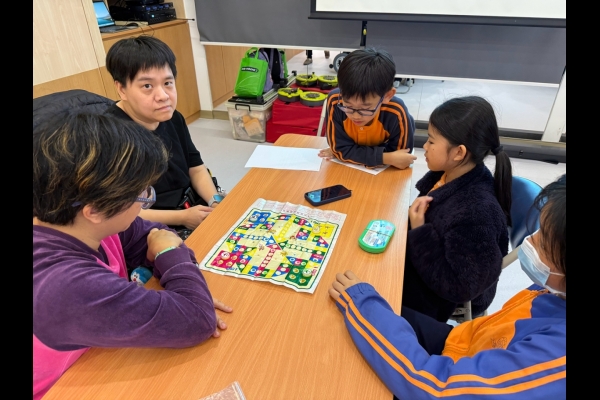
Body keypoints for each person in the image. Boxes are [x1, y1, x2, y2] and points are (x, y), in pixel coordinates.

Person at [33, 113, 232, 400]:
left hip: (95, 357)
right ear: (95, 210)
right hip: (62, 388)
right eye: (141, 194)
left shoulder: (78, 220)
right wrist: (175, 264)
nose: (144, 202)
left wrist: (175, 267)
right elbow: (198, 319)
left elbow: (155, 234)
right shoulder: (66, 285)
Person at [329, 174, 566, 399]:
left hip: (447, 374)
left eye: (544, 244)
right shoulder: (555, 290)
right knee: (357, 315)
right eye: (538, 231)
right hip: (464, 342)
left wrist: (362, 305)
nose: (530, 241)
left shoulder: (555, 358)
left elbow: (437, 387)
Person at [401, 96, 513, 322]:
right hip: (424, 259)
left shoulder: (477, 214)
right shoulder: (450, 173)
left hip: (439, 292)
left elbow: (459, 286)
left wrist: (420, 230)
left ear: (459, 153)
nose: (425, 147)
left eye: (431, 141)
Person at [105, 35, 223, 233]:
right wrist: (183, 218)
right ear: (121, 89)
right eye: (147, 86)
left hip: (190, 207)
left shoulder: (173, 117)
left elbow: (195, 168)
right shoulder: (109, 136)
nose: (163, 96)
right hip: (149, 228)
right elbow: (118, 212)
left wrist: (215, 201)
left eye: (168, 83)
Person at [318, 47, 416, 169]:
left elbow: (402, 158)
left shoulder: (396, 111)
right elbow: (340, 150)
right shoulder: (335, 101)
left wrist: (351, 152)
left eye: (365, 108)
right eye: (348, 106)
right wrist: (386, 157)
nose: (355, 116)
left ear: (387, 96)